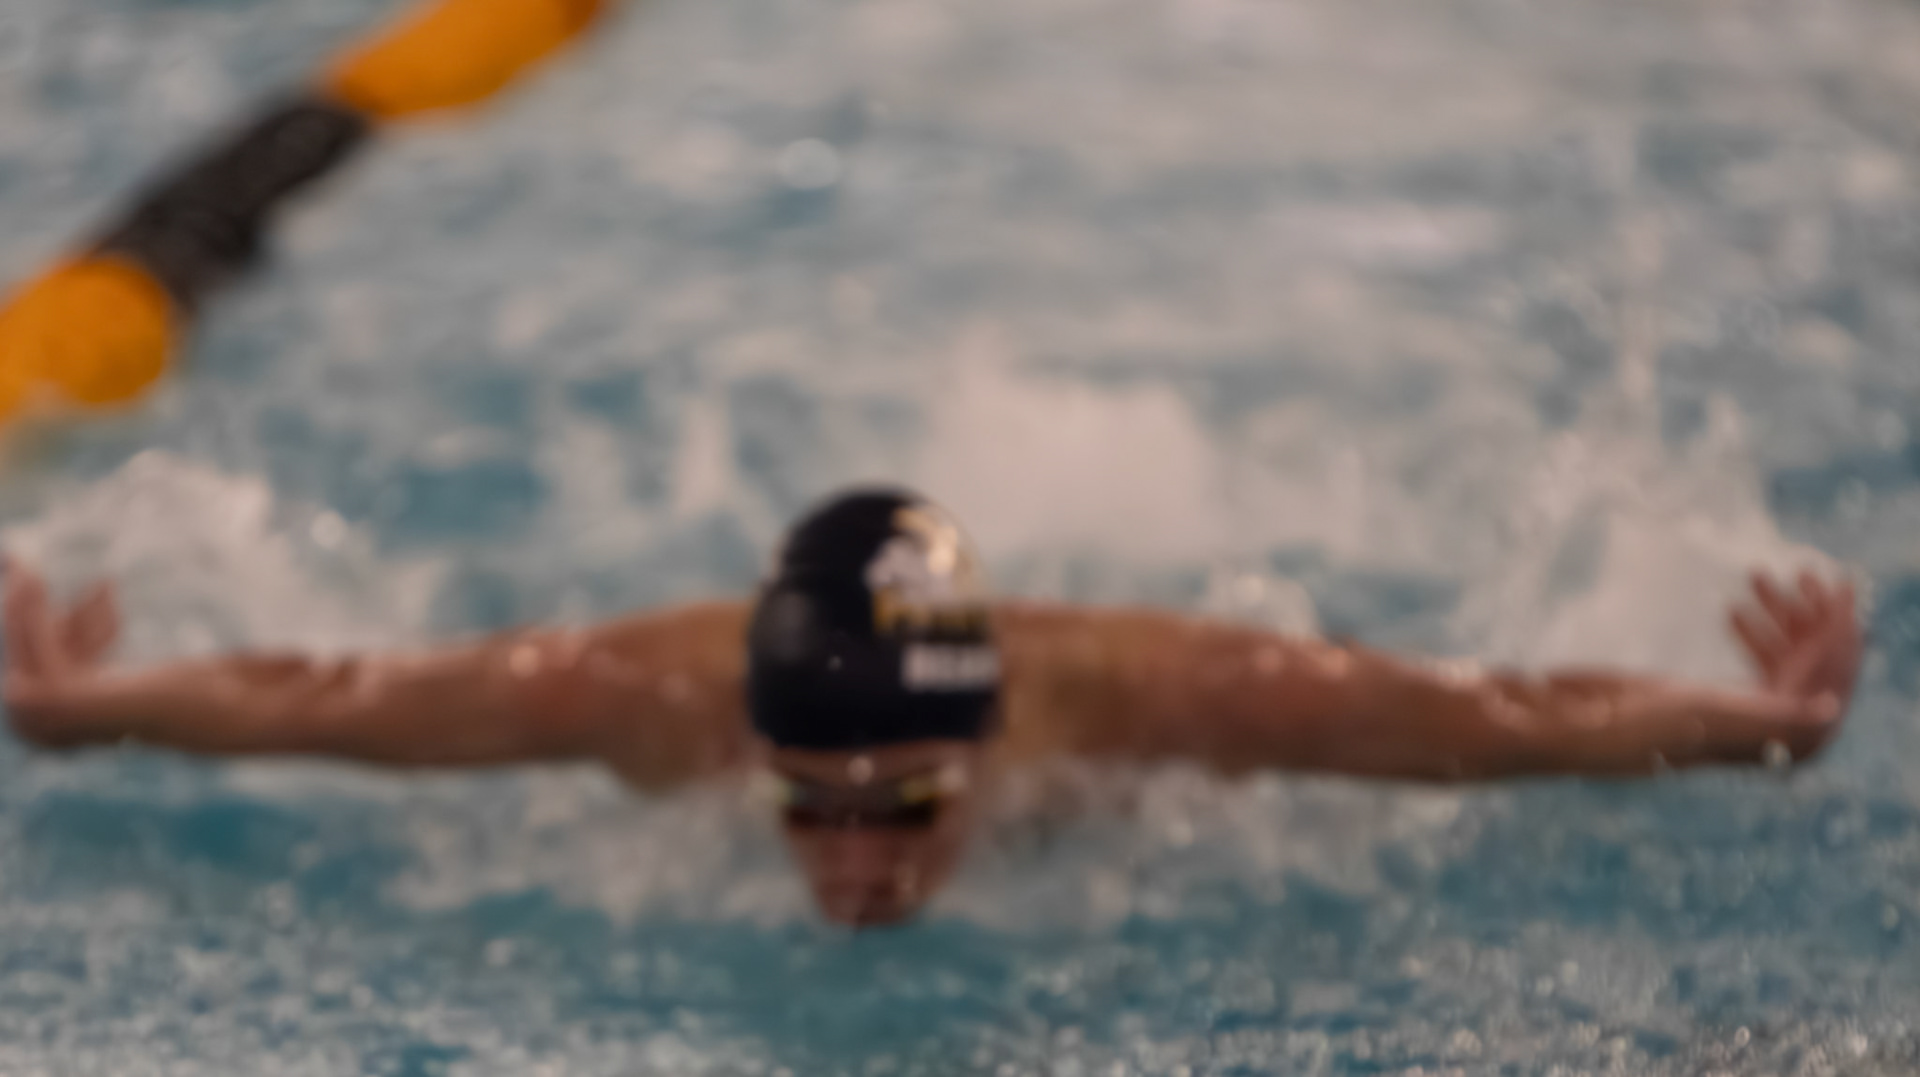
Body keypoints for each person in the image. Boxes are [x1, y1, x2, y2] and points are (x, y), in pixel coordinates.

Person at [1, 488, 1865, 928]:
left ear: (987, 740)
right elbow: (326, 694)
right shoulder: (634, 700)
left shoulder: (1159, 696)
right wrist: (80, 708)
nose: (852, 859)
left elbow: (1497, 716)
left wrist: (1748, 724)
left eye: (904, 801)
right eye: (806, 800)